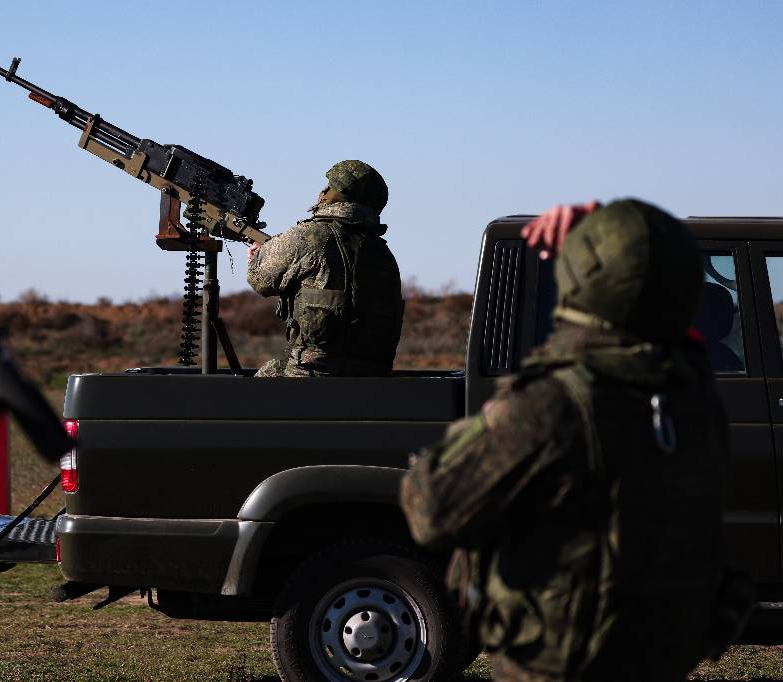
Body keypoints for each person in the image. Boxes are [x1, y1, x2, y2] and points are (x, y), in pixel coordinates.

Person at [400, 199, 739, 681]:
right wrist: (625, 245)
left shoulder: (554, 403)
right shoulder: (693, 401)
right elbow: (673, 332)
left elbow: (432, 510)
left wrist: (487, 424)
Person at [246, 160, 403, 377]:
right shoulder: (383, 254)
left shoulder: (309, 235)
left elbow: (260, 279)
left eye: (330, 186)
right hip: (374, 376)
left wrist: (257, 256)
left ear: (336, 194)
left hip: (312, 374)